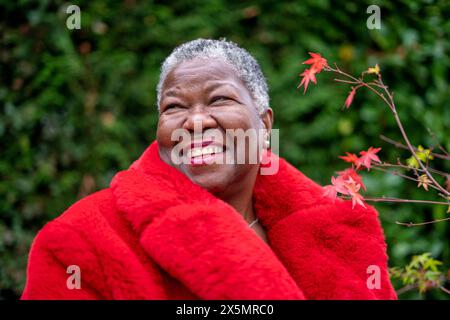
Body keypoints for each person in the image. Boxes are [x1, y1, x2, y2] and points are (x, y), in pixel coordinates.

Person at [22, 38, 397, 300]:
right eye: (174, 107)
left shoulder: (341, 234)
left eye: (219, 99)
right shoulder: (81, 240)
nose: (196, 121)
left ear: (264, 125)